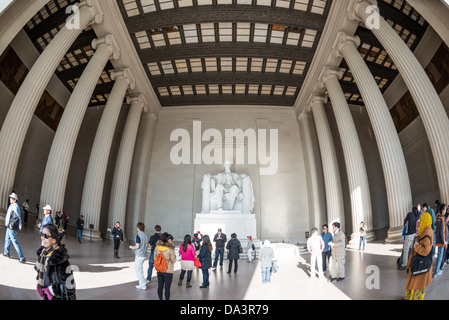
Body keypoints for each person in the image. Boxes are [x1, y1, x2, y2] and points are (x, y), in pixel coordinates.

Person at [35, 224, 76, 300]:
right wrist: (40, 284)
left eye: (46, 236)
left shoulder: (60, 259)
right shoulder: (43, 254)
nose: (42, 238)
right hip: (46, 294)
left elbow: (70, 287)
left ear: (54, 240)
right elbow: (42, 273)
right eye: (42, 234)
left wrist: (51, 290)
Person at [404, 211, 433, 300]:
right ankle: (410, 297)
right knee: (419, 285)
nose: (418, 227)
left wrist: (417, 246)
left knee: (418, 285)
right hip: (420, 264)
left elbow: (426, 251)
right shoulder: (425, 230)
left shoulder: (426, 233)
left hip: (420, 264)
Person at [3, 192, 26, 263]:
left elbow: (16, 217)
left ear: (15, 200)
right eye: (10, 198)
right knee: (7, 239)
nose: (10, 199)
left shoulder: (15, 206)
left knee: (14, 241)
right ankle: (6, 252)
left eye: (12, 198)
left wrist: (11, 225)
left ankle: (22, 257)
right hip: (9, 226)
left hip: (12, 227)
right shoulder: (12, 205)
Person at [154, 232, 176, 300]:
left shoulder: (157, 247)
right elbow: (173, 260)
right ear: (168, 240)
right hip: (168, 271)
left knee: (160, 286)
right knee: (167, 288)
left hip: (160, 269)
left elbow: (155, 258)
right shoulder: (170, 249)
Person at [129, 222, 150, 290]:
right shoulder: (146, 236)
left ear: (138, 228)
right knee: (138, 268)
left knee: (138, 270)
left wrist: (132, 247)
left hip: (139, 255)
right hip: (144, 255)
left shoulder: (138, 235)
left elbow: (137, 246)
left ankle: (142, 284)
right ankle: (143, 282)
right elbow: (148, 245)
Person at [433, 203, 447, 278]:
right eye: (445, 209)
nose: (445, 211)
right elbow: (443, 231)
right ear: (442, 210)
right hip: (441, 240)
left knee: (439, 255)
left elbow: (437, 229)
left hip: (438, 239)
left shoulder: (438, 217)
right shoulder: (442, 218)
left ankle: (437, 270)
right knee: (440, 256)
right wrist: (444, 241)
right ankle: (436, 272)